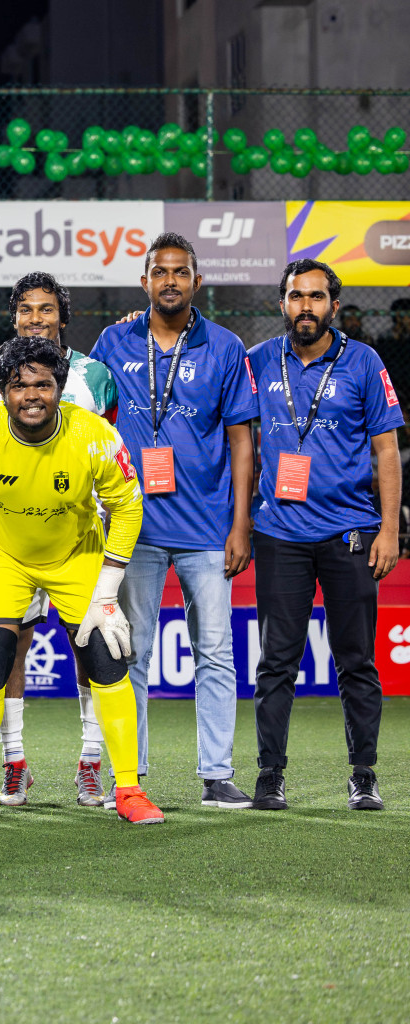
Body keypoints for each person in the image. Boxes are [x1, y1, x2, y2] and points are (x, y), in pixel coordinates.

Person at [0, 335, 163, 825]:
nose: (31, 395)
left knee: (106, 660)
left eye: (43, 384)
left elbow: (129, 505)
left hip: (76, 554)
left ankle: (128, 790)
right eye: (19, 386)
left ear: (60, 387)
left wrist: (108, 586)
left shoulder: (93, 435)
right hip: (1, 553)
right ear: (3, 391)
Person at [89, 233, 258, 809]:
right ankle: (127, 779)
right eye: (159, 272)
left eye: (180, 272)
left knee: (214, 650)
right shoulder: (113, 341)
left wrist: (241, 524)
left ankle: (216, 775)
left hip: (208, 529)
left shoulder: (226, 347)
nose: (170, 281)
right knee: (127, 652)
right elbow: (89, 425)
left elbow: (242, 438)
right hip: (132, 527)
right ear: (145, 282)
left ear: (196, 281)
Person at [247, 259, 402, 811]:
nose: (305, 306)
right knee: (276, 662)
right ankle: (271, 774)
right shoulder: (258, 361)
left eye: (316, 297)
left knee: (356, 659)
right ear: (283, 303)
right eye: (296, 296)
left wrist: (389, 528)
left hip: (350, 534)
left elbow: (388, 449)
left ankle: (364, 773)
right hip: (279, 533)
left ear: (334, 305)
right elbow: (231, 431)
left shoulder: (364, 361)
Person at [0, 274, 119, 806]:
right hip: (12, 534)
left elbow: (109, 447)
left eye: (47, 310)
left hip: (78, 533)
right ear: (13, 317)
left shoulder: (96, 375)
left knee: (91, 646)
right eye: (27, 310)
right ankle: (15, 763)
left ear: (63, 316)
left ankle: (90, 764)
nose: (37, 318)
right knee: (11, 643)